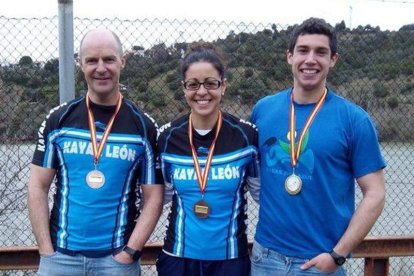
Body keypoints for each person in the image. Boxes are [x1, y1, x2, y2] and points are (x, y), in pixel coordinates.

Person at [250, 18, 386, 275]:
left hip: (320, 263)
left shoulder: (354, 120)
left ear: (333, 59)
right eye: (303, 50)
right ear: (289, 56)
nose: (310, 59)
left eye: (320, 52)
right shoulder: (263, 110)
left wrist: (338, 254)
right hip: (265, 258)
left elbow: (375, 194)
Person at [27, 28, 163, 275]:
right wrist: (46, 250)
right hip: (60, 259)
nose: (101, 68)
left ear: (122, 61)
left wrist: (129, 253)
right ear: (80, 64)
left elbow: (153, 197)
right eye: (92, 60)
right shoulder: (58, 120)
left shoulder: (143, 127)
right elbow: (37, 185)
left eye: (109, 59)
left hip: (116, 260)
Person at [156, 42, 260, 276]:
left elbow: (262, 194)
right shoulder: (168, 137)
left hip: (230, 260)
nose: (202, 92)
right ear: (183, 89)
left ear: (223, 86)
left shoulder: (246, 136)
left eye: (211, 83)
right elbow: (158, 199)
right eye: (193, 84)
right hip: (178, 259)